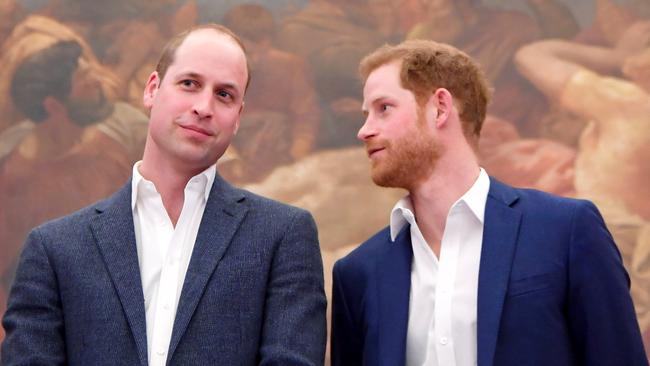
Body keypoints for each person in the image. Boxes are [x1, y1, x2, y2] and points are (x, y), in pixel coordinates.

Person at [2, 24, 327, 365]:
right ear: (152, 90)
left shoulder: (283, 236)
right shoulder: (55, 248)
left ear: (238, 118)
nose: (204, 106)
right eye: (190, 84)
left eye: (224, 95)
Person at [330, 39, 648, 365]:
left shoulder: (565, 230)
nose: (364, 130)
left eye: (384, 108)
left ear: (440, 107)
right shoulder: (357, 273)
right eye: (366, 114)